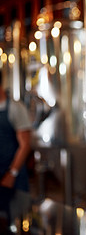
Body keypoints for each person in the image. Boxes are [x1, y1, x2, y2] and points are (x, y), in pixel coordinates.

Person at [0, 70, 31, 224]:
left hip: (12, 177)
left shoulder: (15, 108)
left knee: (17, 221)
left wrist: (11, 174)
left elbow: (25, 144)